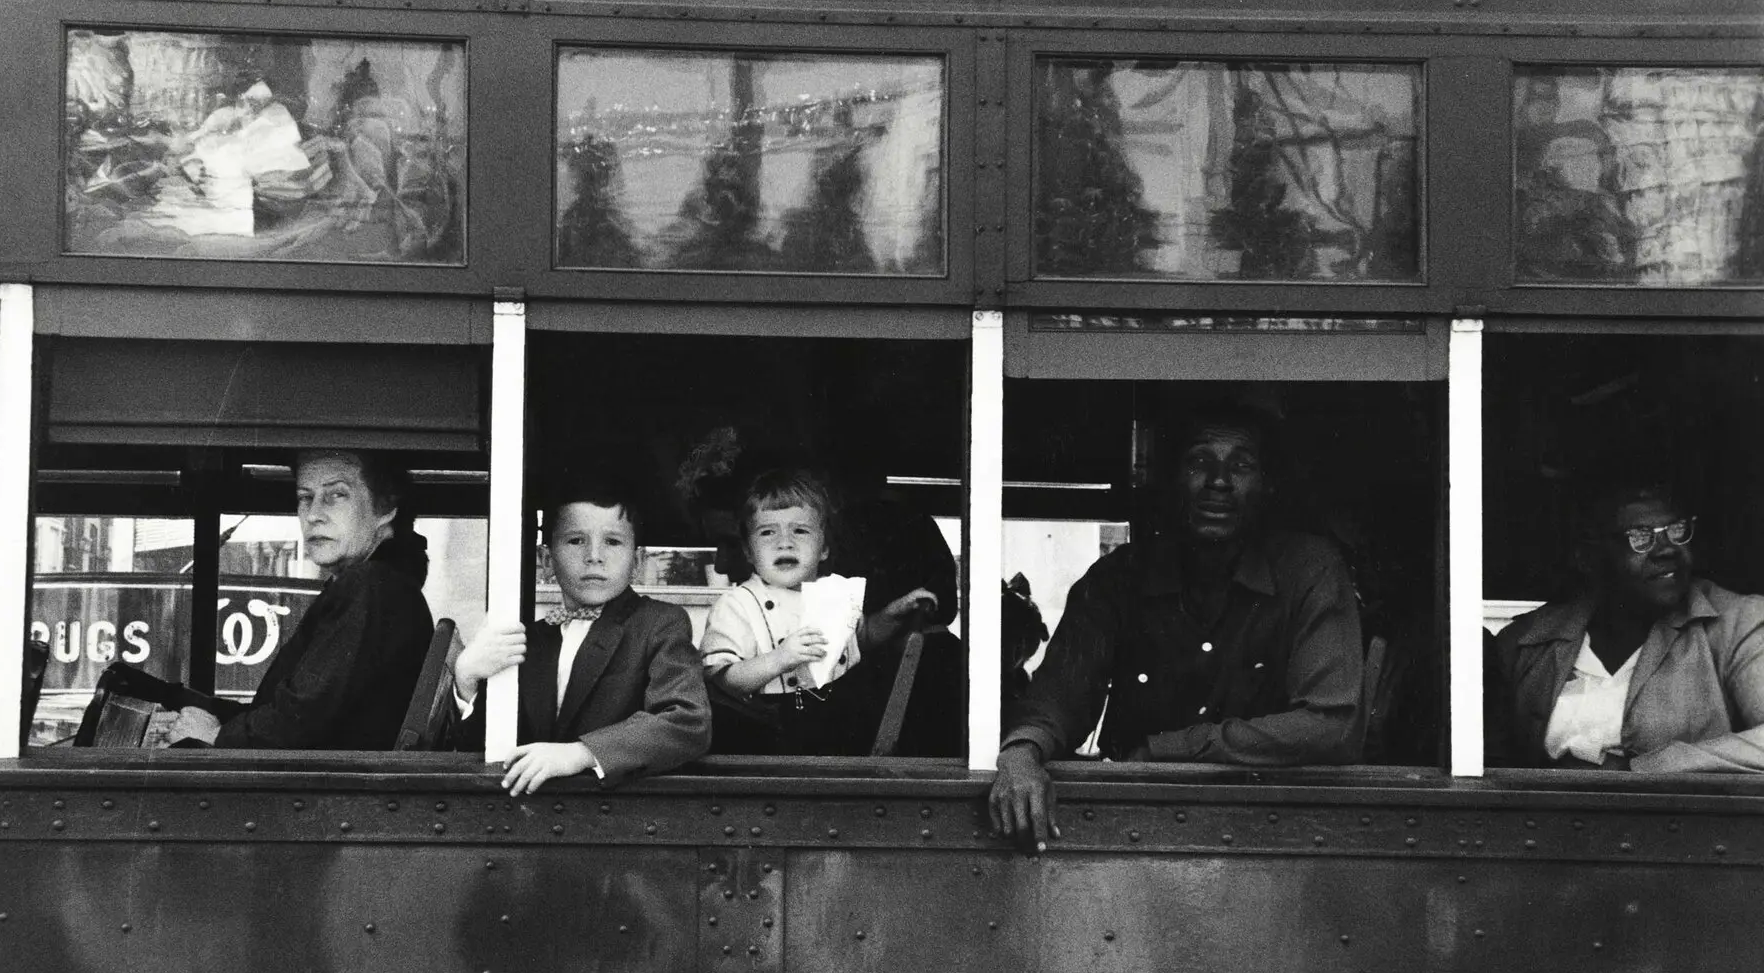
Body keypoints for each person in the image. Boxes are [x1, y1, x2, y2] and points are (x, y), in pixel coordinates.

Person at [990, 403, 1363, 845]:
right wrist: (1022, 753)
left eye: (1241, 466)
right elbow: (1060, 692)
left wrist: (1167, 749)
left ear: (1267, 486)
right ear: (1173, 481)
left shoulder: (1310, 570)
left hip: (1272, 832)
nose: (1219, 482)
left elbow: (1330, 725)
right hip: (1136, 830)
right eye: (1199, 462)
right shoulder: (1119, 577)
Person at [453, 480, 711, 794]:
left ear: (638, 561)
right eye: (576, 540)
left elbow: (686, 722)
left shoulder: (659, 623)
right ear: (547, 560)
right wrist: (466, 680)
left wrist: (581, 753)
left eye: (613, 542)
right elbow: (485, 748)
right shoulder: (528, 640)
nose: (594, 556)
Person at [1489, 480, 1764, 772]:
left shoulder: (1738, 624)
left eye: (1677, 530)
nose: (1666, 550)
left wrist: (1654, 767)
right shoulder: (1527, 642)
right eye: (1639, 537)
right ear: (1588, 558)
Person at [169, 448, 433, 749]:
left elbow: (301, 718)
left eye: (336, 495)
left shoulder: (370, 585)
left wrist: (217, 735)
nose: (313, 516)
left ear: (386, 507)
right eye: (305, 498)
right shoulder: (385, 585)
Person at [697, 469, 936, 753]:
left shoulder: (835, 594)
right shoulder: (737, 604)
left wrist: (893, 614)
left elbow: (862, 639)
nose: (784, 542)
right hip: (771, 737)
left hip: (840, 731)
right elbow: (724, 679)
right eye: (767, 532)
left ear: (823, 548)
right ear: (749, 551)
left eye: (800, 530)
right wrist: (780, 659)